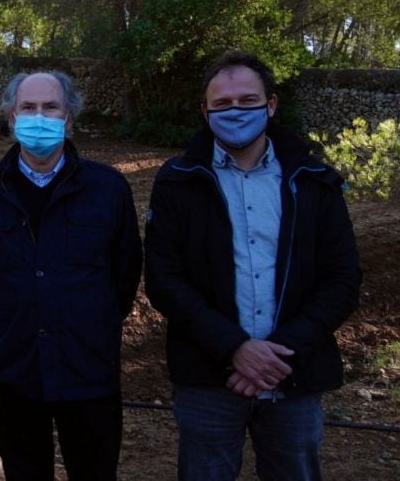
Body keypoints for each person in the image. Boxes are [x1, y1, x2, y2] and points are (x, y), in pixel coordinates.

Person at [144, 50, 361, 480]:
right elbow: (164, 280)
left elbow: (342, 277)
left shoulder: (314, 180)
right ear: (205, 111)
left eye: (248, 100)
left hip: (293, 377)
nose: (235, 110)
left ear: (271, 104)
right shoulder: (177, 180)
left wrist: (280, 354)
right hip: (209, 379)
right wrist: (235, 349)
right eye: (222, 103)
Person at [0, 71, 142, 480]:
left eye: (50, 107)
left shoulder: (109, 188)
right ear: (11, 118)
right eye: (28, 108)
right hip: (14, 371)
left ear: (69, 119)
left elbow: (126, 273)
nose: (38, 117)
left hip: (88, 371)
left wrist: (91, 324)